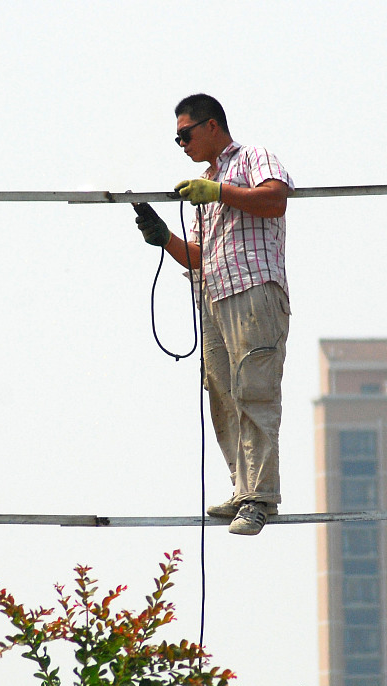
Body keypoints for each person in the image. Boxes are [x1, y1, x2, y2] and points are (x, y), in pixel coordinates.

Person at [134, 94, 293, 536]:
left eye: (185, 134)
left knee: (254, 389)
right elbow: (200, 256)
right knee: (222, 392)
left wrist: (220, 190)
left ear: (211, 126)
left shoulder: (251, 158)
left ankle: (260, 497)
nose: (181, 143)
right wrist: (163, 236)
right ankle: (244, 490)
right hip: (216, 294)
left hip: (254, 291)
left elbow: (275, 199)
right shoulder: (206, 184)